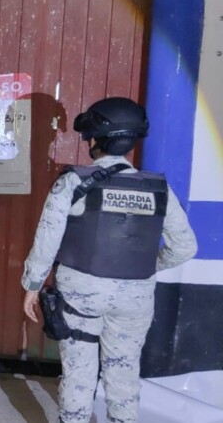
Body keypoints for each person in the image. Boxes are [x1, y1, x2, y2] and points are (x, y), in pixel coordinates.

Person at [20, 97, 197, 423]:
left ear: (93, 139)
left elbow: (47, 242)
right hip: (135, 297)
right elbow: (185, 247)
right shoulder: (158, 188)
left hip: (81, 295)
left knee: (79, 374)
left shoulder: (74, 182)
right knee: (124, 373)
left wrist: (32, 286)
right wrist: (142, 268)